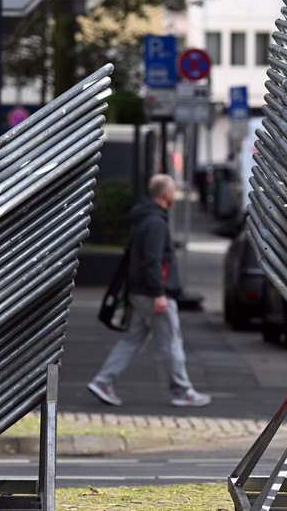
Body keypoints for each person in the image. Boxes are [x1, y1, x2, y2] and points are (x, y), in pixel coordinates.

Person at [87, 174, 212, 407]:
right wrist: (159, 294)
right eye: (173, 191)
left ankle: (103, 381)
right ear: (166, 194)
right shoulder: (155, 223)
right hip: (152, 294)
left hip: (139, 291)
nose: (174, 194)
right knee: (172, 342)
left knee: (132, 340)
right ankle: (183, 391)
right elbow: (153, 261)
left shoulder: (144, 218)